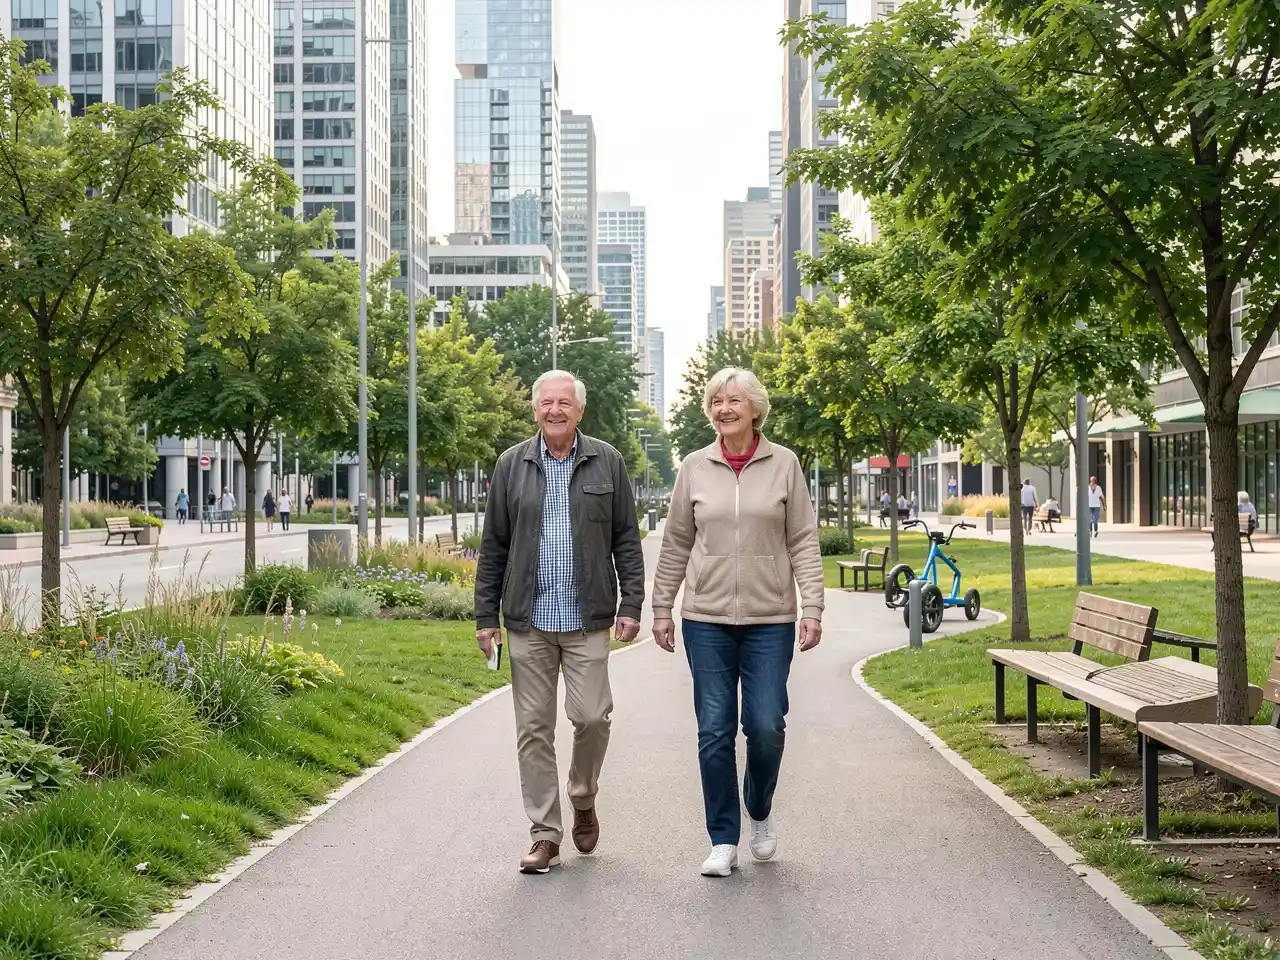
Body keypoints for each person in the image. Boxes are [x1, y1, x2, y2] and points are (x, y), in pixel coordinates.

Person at [652, 366, 825, 879]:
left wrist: (811, 606)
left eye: (733, 400)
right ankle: (723, 838)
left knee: (767, 726)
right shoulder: (694, 467)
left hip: (770, 618)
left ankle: (760, 807)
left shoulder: (784, 465)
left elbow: (803, 541)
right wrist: (662, 607)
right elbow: (677, 541)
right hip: (705, 619)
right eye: (716, 401)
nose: (723, 409)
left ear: (755, 409)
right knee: (714, 730)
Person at [474, 370, 644, 875]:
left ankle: (583, 793)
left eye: (564, 402)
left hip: (587, 618)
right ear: (534, 409)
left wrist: (631, 604)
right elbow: (494, 547)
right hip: (528, 620)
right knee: (533, 728)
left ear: (580, 410)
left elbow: (627, 543)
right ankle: (545, 834)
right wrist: (487, 616)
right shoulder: (512, 464)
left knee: (592, 717)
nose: (555, 410)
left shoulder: (606, 461)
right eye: (546, 402)